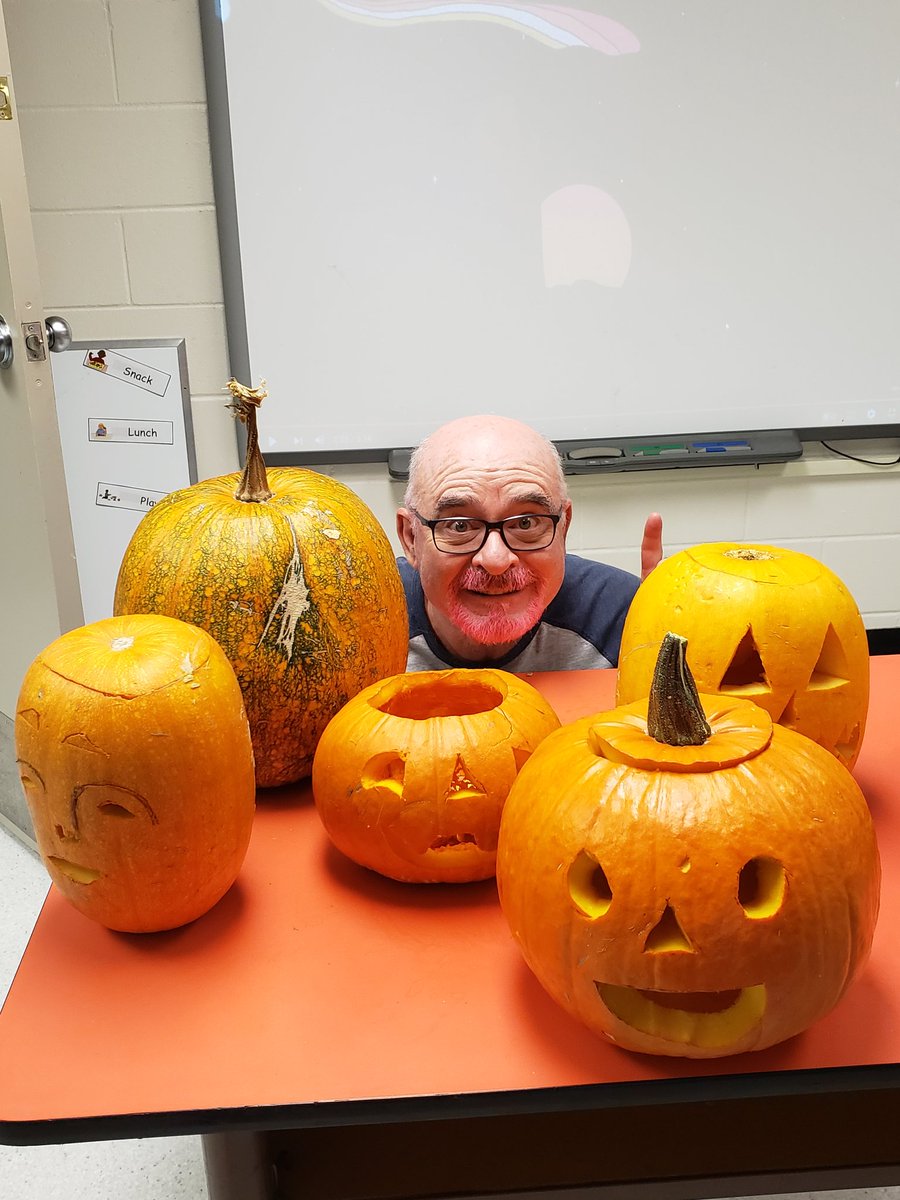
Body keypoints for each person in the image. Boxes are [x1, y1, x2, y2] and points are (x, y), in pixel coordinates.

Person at [395, 414, 663, 672]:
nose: (496, 561)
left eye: (526, 523)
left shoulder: (621, 616)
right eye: (460, 526)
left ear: (563, 528)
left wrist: (664, 653)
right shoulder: (362, 623)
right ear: (410, 538)